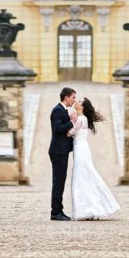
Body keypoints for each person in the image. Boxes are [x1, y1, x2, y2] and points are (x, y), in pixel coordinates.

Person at [70, 97, 121, 220]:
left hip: (80, 150)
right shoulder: (84, 119)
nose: (76, 102)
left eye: (79, 102)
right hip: (82, 149)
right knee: (86, 176)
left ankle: (88, 210)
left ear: (82, 107)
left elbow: (69, 133)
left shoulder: (81, 119)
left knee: (81, 177)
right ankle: (92, 208)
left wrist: (70, 121)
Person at [48, 86, 77, 221]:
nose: (74, 100)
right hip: (58, 151)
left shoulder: (62, 110)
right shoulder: (58, 110)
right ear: (66, 97)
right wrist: (72, 122)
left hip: (61, 151)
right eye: (73, 97)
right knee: (58, 182)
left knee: (60, 181)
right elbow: (57, 129)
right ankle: (55, 212)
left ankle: (58, 210)